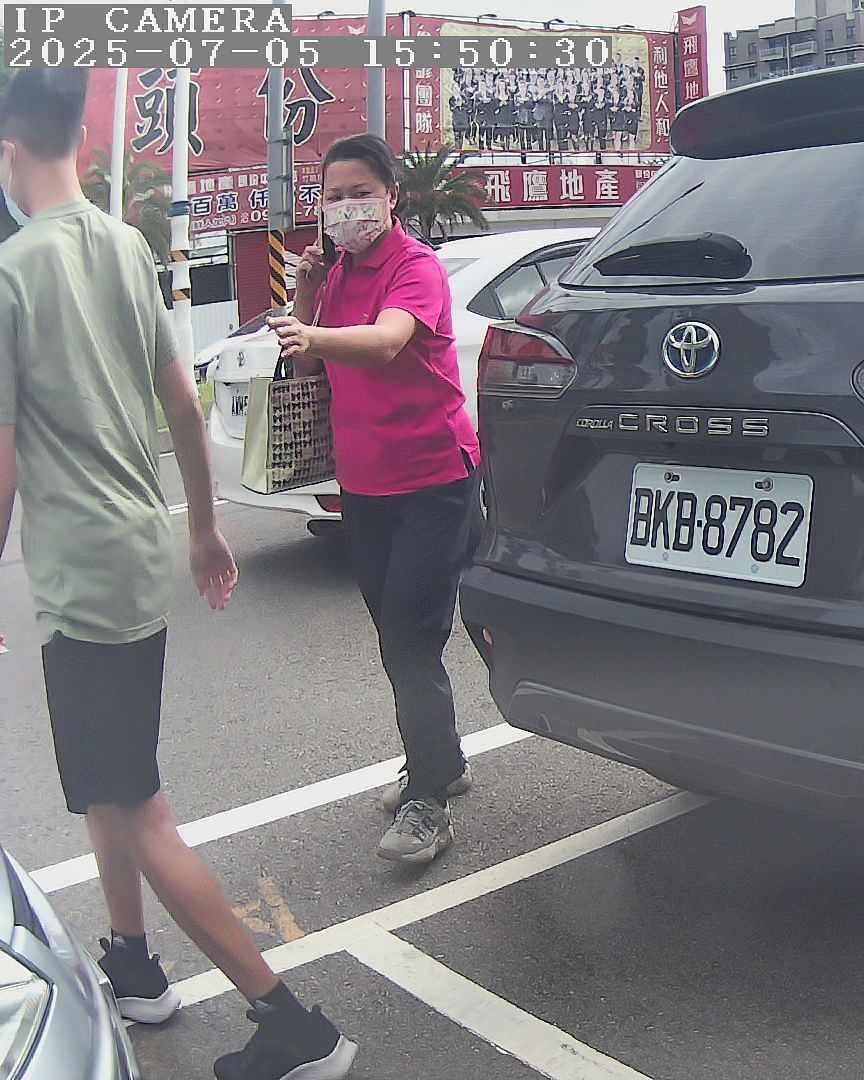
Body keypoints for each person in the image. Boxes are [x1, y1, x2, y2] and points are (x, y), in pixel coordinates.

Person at [0, 70, 357, 1080]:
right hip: (137, 554)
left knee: (139, 807)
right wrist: (202, 529)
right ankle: (132, 963)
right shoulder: (126, 246)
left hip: (83, 578)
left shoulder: (12, 273)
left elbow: (4, 451)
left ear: (8, 153)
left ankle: (295, 1026)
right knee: (106, 786)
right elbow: (185, 406)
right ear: (79, 141)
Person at [269, 134, 480, 865]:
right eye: (333, 197)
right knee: (396, 636)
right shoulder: (337, 274)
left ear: (392, 196)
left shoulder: (413, 267)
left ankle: (429, 799)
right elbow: (307, 358)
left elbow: (389, 341)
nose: (346, 208)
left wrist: (313, 331)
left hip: (432, 482)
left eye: (360, 193)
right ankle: (440, 760)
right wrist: (305, 293)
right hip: (365, 487)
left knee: (411, 640)